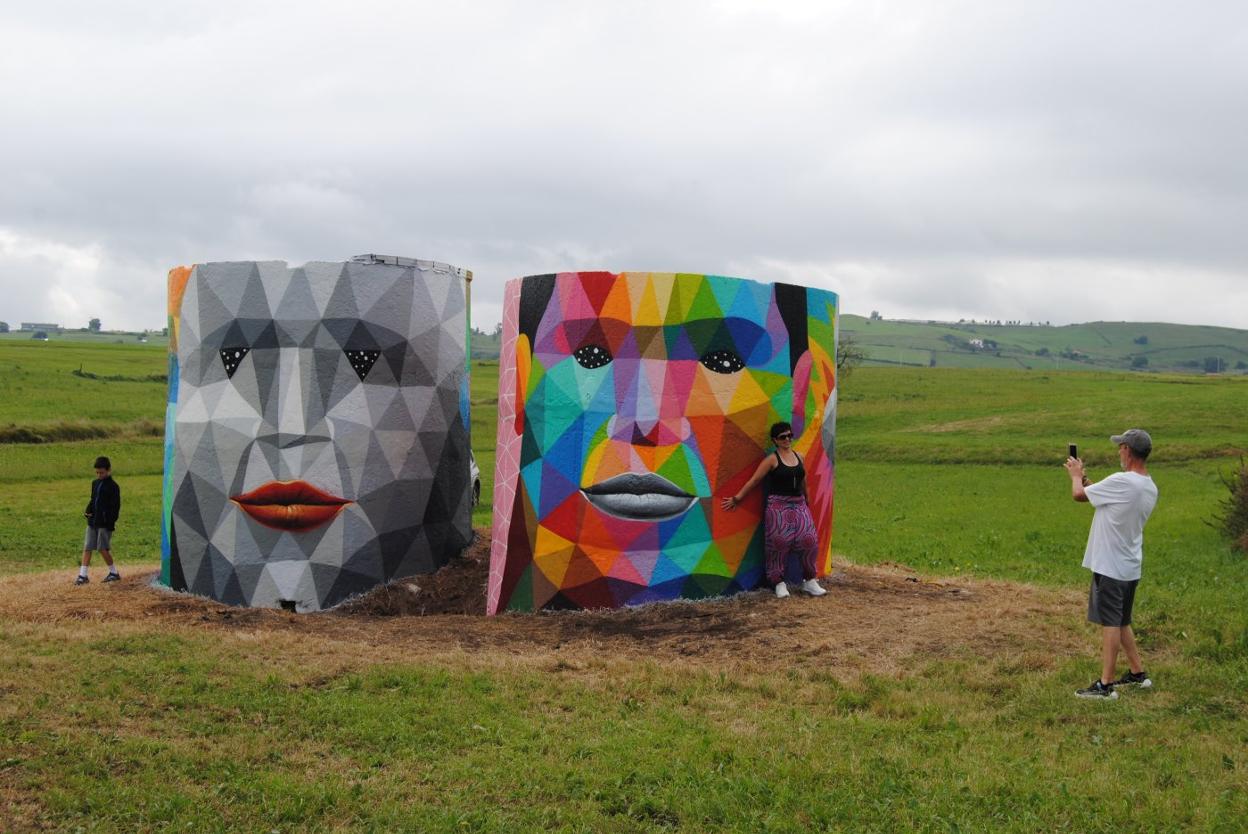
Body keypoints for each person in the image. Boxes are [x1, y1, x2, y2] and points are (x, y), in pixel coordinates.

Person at [1065, 429, 1158, 699]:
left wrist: (1074, 477)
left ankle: (1105, 686)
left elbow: (1079, 496)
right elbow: (1104, 499)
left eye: (1120, 447)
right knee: (1122, 620)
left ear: (1128, 450)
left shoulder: (1123, 481)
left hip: (1110, 566)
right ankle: (1138, 674)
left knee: (1110, 624)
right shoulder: (1148, 485)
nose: (1118, 451)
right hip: (1129, 566)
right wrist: (1084, 481)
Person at [722, 421, 828, 599]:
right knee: (779, 542)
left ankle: (809, 580)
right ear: (775, 440)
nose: (787, 439)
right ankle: (778, 582)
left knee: (809, 540)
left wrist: (807, 501)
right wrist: (737, 498)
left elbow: (804, 481)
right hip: (778, 504)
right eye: (782, 437)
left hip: (798, 503)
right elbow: (754, 481)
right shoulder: (771, 459)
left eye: (789, 435)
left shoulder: (799, 457)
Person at [77, 455, 121, 585]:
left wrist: (110, 522)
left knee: (102, 548)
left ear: (108, 470)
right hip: (93, 521)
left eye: (101, 472)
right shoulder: (95, 483)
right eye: (97, 472)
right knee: (87, 547)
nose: (99, 475)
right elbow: (93, 499)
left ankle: (114, 573)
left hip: (105, 523)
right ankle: (82, 576)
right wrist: (88, 510)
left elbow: (115, 507)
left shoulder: (113, 486)